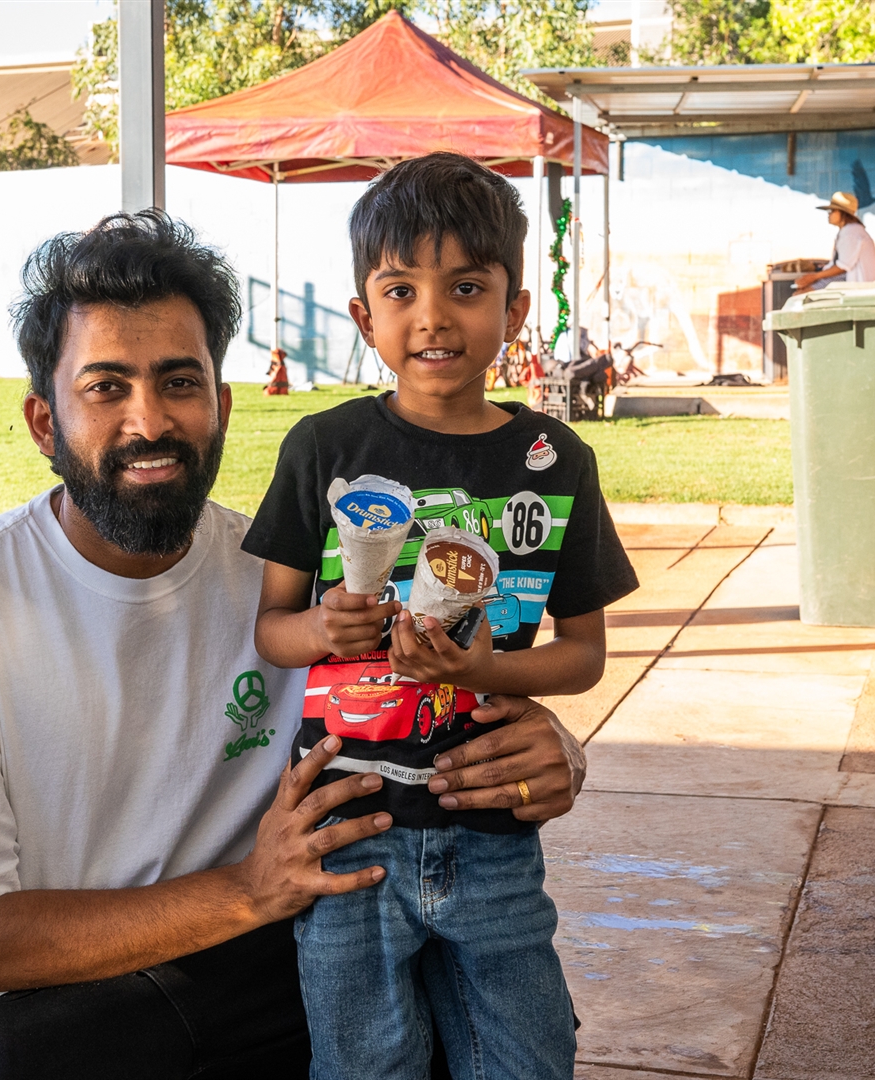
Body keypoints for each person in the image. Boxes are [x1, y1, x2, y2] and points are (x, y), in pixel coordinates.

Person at [0, 211, 589, 1080]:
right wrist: (247, 889)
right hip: (27, 1006)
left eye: (179, 382)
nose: (148, 422)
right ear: (44, 424)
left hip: (248, 958)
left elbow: (436, 698)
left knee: (463, 1014)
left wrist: (547, 749)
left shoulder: (301, 586)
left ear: (222, 406)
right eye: (106, 388)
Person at [246, 153, 640, 1079]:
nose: (433, 316)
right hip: (347, 825)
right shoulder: (325, 447)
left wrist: (484, 671)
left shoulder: (556, 459)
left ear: (514, 310)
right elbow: (271, 629)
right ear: (365, 317)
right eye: (401, 290)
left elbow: (584, 653)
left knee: (528, 1057)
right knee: (363, 1062)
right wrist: (324, 630)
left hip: (492, 822)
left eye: (466, 287)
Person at [795, 191, 875, 289]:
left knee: (803, 293)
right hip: (848, 282)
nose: (829, 214)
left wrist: (814, 277)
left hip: (855, 286)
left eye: (832, 211)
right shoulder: (849, 230)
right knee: (803, 290)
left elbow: (843, 267)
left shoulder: (851, 233)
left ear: (843, 213)